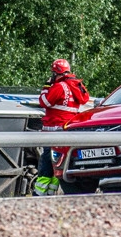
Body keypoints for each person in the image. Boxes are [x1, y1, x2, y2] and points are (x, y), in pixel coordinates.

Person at [34, 59, 91, 195]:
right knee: (58, 163)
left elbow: (44, 102)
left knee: (46, 164)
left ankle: (38, 195)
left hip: (53, 132)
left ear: (55, 73)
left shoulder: (59, 87)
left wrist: (46, 87)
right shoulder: (75, 86)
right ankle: (51, 193)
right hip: (66, 131)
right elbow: (85, 100)